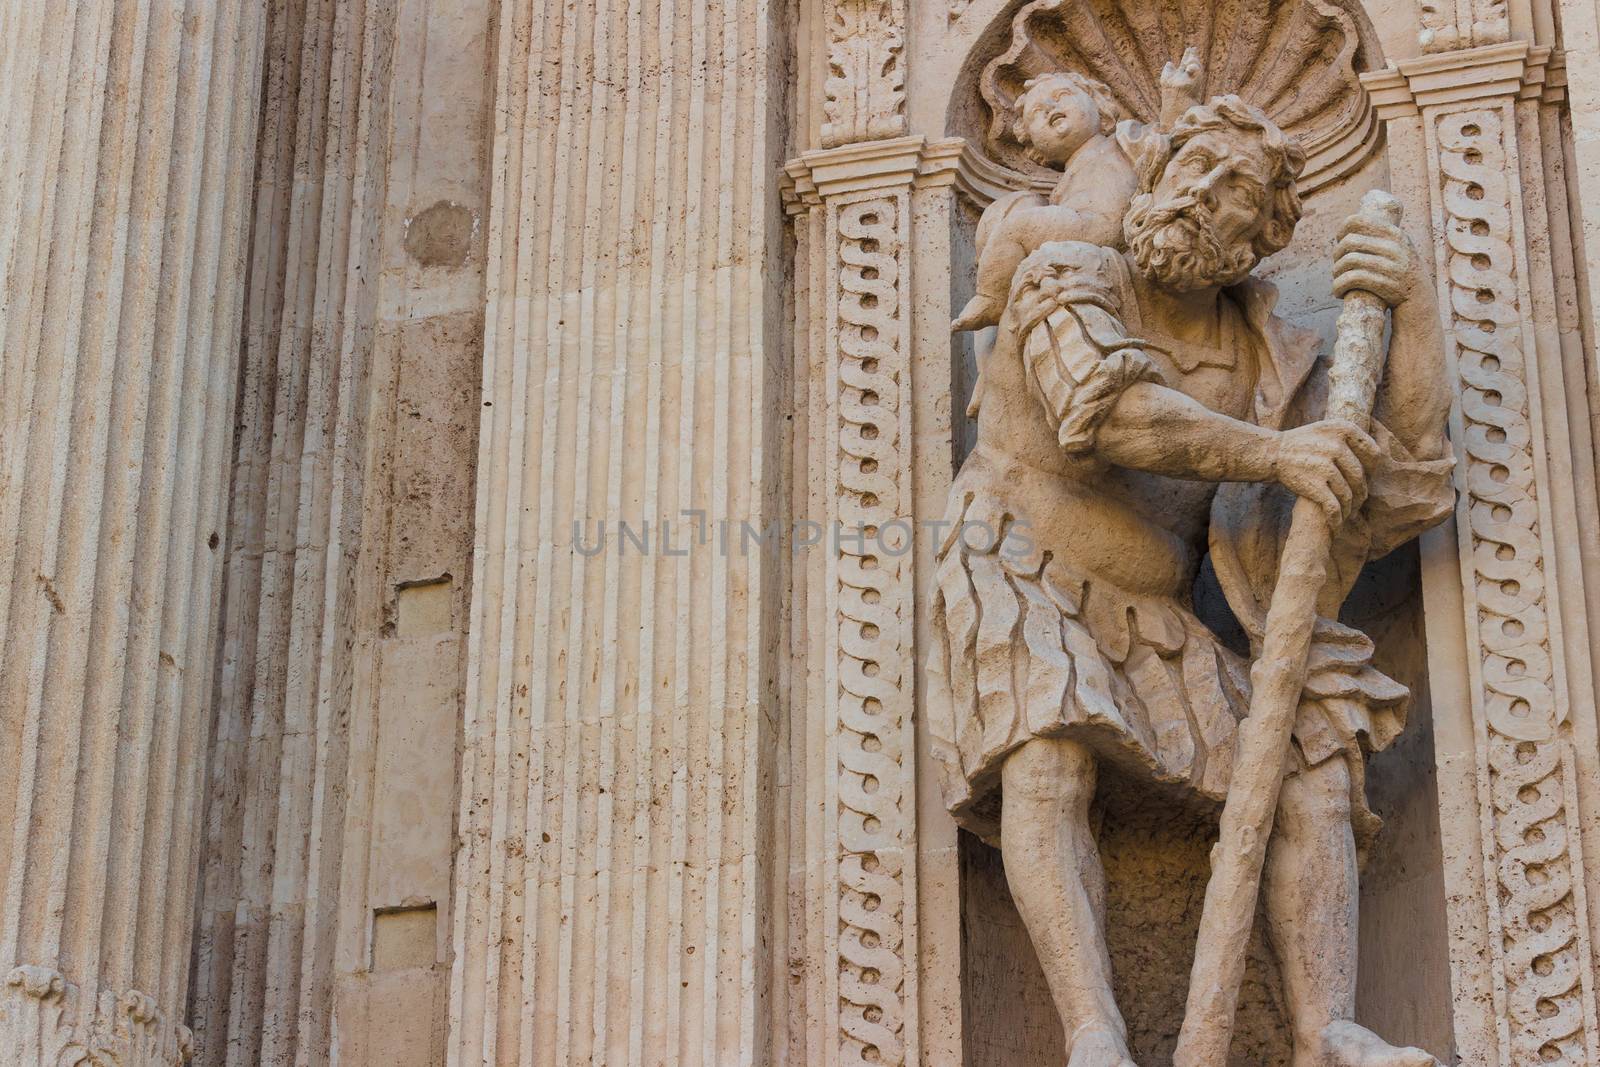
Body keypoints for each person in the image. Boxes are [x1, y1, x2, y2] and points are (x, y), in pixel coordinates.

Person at [930, 93, 1454, 1067]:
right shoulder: (1065, 269)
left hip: (1157, 619)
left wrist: (1409, 311)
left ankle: (1325, 1027)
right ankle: (1094, 1032)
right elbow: (1113, 413)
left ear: (1259, 241)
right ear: (1157, 169)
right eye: (1195, 167)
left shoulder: (1266, 353)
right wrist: (1279, 452)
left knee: (1309, 740)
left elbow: (1394, 482)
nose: (1201, 195)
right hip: (1017, 567)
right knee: (1044, 749)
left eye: (1234, 193)